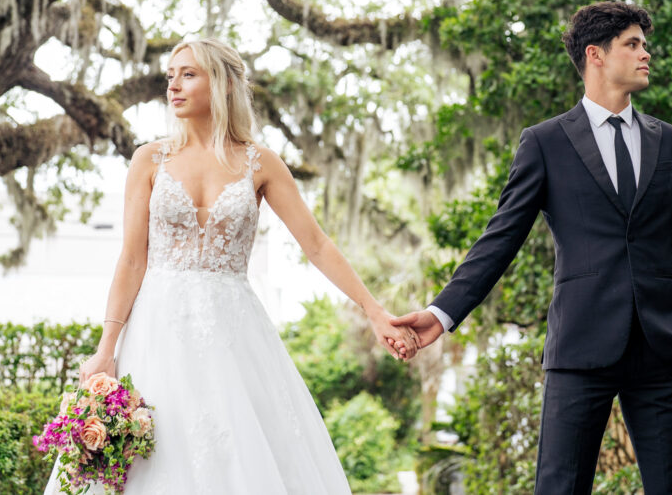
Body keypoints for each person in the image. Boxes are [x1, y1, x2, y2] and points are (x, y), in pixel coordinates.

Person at [43, 38, 416, 494]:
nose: (173, 86)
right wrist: (106, 347)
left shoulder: (261, 164)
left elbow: (316, 245)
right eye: (170, 76)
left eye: (188, 74)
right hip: (156, 333)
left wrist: (374, 310)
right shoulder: (149, 159)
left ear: (221, 84)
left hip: (235, 333)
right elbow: (132, 258)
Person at [393, 1, 672, 494]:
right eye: (633, 44)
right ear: (596, 54)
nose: (645, 54)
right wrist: (441, 314)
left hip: (664, 346)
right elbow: (500, 238)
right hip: (580, 346)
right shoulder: (545, 142)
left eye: (644, 45)